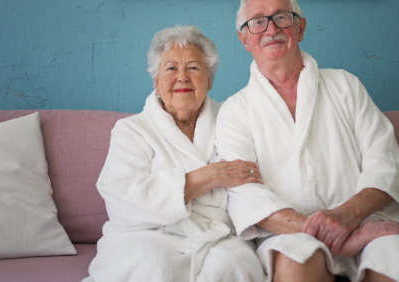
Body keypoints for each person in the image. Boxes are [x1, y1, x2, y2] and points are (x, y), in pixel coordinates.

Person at [215, 0, 399, 282]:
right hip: (286, 234)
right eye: (257, 22)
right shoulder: (235, 111)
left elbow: (384, 162)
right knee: (296, 263)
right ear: (244, 39)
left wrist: (348, 220)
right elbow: (246, 194)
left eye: (281, 17)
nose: (271, 29)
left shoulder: (345, 86)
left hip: (361, 220)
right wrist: (327, 232)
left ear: (300, 27)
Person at [84, 25, 265, 282]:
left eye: (193, 67)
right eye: (171, 68)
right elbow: (122, 200)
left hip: (218, 236)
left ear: (209, 79)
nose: (182, 77)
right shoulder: (132, 131)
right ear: (157, 82)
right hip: (146, 235)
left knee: (233, 267)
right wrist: (209, 175)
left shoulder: (232, 120)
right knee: (154, 268)